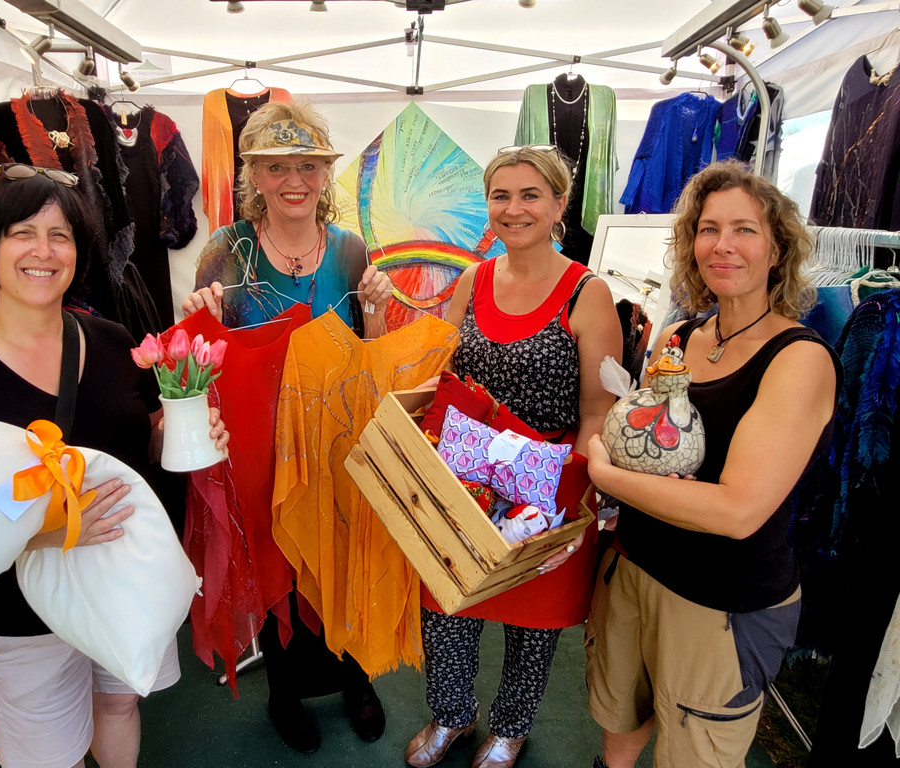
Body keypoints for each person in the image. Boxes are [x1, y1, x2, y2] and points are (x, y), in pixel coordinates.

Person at [0, 165, 229, 768]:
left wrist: (185, 435)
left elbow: (142, 445)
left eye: (60, 236)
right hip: (16, 605)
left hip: (120, 572)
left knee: (119, 705)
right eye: (23, 233)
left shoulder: (111, 341)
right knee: (50, 754)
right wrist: (46, 532)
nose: (43, 251)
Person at [583, 160, 841, 768]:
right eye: (708, 228)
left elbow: (736, 511)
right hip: (636, 568)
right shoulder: (679, 336)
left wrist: (606, 476)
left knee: (694, 755)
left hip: (721, 602)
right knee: (619, 722)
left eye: (745, 230)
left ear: (778, 248)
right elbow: (645, 443)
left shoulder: (798, 359)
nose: (723, 245)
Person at [181, 100, 394, 754]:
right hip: (262, 446)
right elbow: (200, 357)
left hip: (336, 440)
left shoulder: (350, 249)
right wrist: (197, 315)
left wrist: (377, 312)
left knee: (340, 567)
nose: (294, 179)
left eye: (307, 165)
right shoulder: (225, 251)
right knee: (276, 567)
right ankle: (285, 693)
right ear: (254, 174)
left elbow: (369, 353)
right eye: (276, 167)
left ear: (325, 174)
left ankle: (357, 680)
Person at [404, 145, 622, 768]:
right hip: (466, 474)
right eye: (501, 195)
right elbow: (445, 374)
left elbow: (597, 412)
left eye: (531, 195)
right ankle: (451, 714)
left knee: (534, 617)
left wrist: (566, 502)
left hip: (546, 482)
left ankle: (510, 727)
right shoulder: (472, 281)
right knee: (448, 602)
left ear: (559, 204)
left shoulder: (588, 292)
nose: (514, 208)